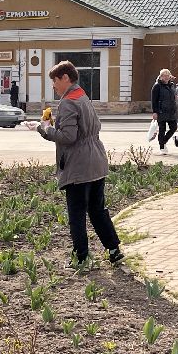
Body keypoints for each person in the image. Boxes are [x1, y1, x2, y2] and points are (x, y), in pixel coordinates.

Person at [36, 60, 123, 267]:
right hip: (96, 161)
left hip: (79, 166)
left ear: (65, 78)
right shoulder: (82, 96)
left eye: (55, 81)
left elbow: (68, 137)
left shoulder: (68, 102)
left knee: (76, 214)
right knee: (97, 209)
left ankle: (81, 257)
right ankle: (113, 250)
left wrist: (44, 129)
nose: (53, 86)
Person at [151, 68, 178, 153]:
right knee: (162, 129)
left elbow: (173, 95)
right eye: (164, 75)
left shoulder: (171, 85)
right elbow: (154, 100)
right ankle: (162, 147)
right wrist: (155, 112)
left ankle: (163, 141)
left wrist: (175, 98)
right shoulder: (157, 86)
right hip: (161, 111)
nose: (166, 77)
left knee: (174, 127)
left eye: (168, 75)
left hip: (171, 111)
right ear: (161, 77)